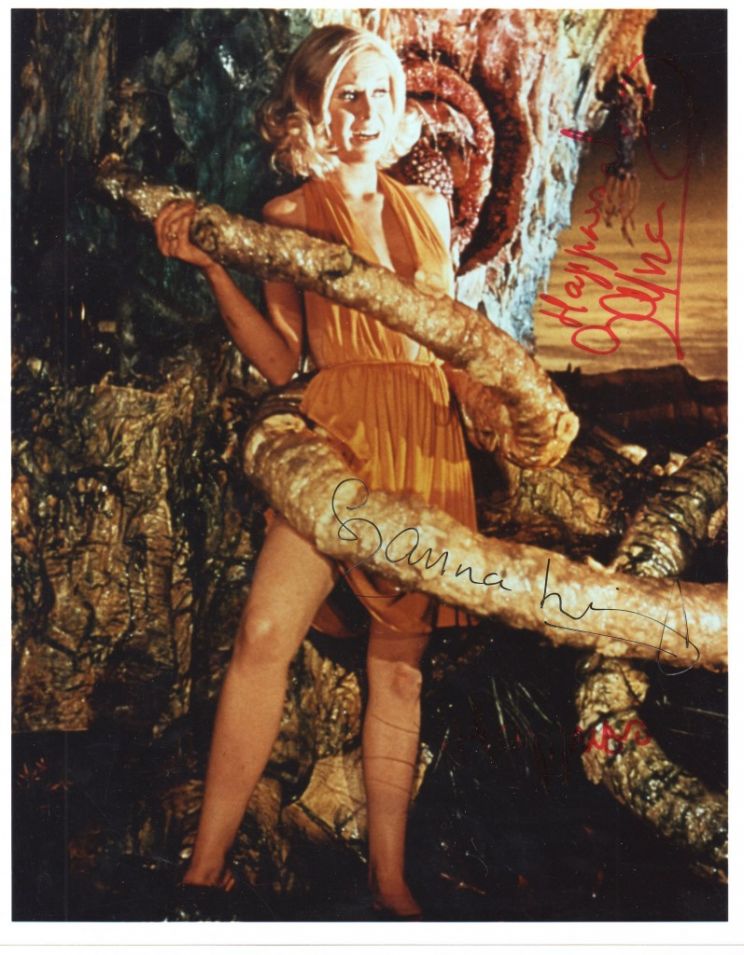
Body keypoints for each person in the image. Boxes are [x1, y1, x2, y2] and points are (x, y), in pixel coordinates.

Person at [154, 24, 477, 919]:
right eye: (346, 94)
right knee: (264, 632)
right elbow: (282, 361)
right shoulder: (289, 215)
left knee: (399, 669)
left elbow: (454, 343)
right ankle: (204, 871)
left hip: (426, 445)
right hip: (334, 440)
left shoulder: (431, 209)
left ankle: (390, 884)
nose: (366, 111)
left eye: (380, 91)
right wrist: (216, 271)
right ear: (310, 112)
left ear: (400, 105)